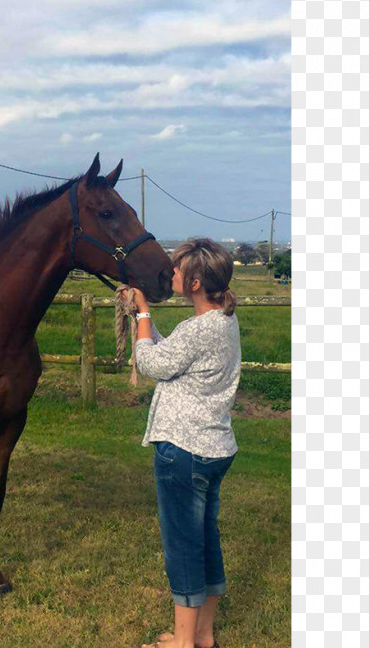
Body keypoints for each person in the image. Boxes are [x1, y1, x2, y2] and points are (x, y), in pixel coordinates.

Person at [129, 238, 241, 648]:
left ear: (194, 282)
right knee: (205, 540)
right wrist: (147, 321)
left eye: (176, 270)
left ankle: (181, 642)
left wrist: (142, 312)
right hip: (213, 448)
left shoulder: (198, 329)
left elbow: (153, 363)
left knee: (184, 547)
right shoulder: (223, 322)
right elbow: (172, 354)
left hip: (184, 450)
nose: (170, 273)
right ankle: (203, 634)